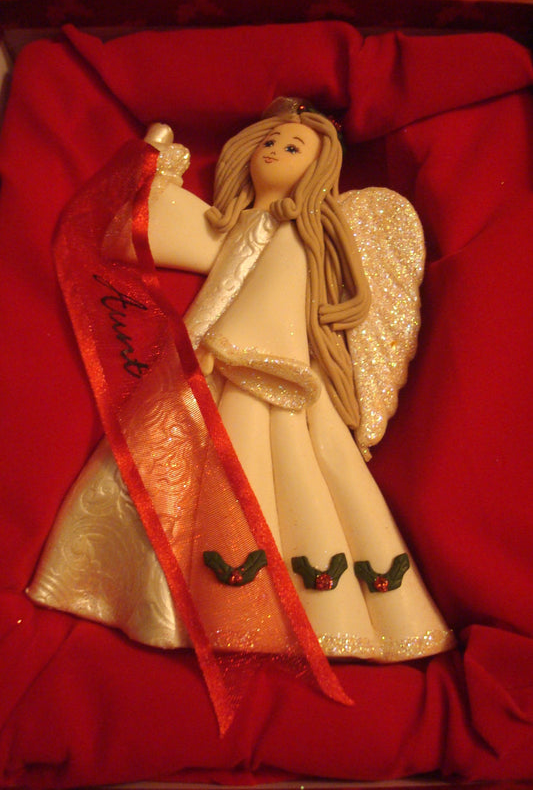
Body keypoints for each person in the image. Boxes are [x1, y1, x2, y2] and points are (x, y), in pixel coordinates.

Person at [28, 98, 455, 662]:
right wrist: (153, 169)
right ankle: (145, 595)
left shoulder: (301, 235)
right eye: (269, 142)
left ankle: (278, 611)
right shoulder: (240, 225)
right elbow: (144, 233)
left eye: (292, 147)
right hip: (209, 358)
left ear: (319, 168)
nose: (273, 152)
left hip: (267, 367)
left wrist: (222, 348)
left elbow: (276, 299)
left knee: (275, 470)